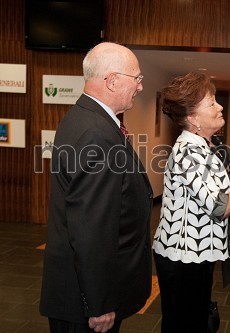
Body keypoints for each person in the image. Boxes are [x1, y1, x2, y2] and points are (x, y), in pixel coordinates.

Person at [39, 42, 153, 333]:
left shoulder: (84, 117)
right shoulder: (96, 134)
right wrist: (99, 303)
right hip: (86, 303)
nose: (140, 87)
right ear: (112, 81)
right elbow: (92, 228)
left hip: (76, 292)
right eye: (137, 79)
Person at [152, 72, 230, 333]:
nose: (220, 106)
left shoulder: (206, 146)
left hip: (196, 253)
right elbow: (219, 207)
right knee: (183, 325)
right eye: (211, 103)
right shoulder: (189, 151)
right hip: (184, 256)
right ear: (192, 118)